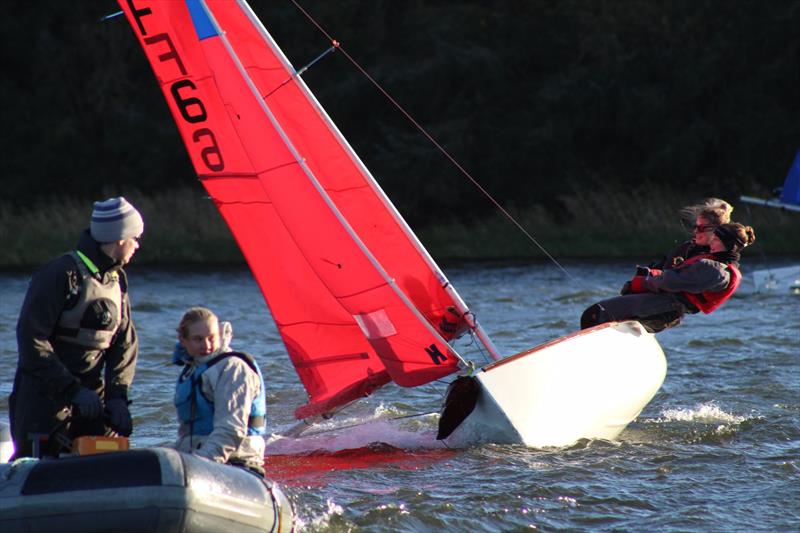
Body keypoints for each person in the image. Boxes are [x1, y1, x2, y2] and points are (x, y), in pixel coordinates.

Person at [10, 197, 143, 458]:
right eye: (135, 238)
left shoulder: (117, 281)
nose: (137, 245)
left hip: (93, 402)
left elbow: (124, 345)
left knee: (108, 457)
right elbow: (32, 339)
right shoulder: (59, 274)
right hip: (44, 399)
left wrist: (117, 396)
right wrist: (72, 391)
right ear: (119, 238)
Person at [581, 223, 756, 333]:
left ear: (728, 245)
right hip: (666, 308)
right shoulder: (715, 265)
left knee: (595, 314)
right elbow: (673, 278)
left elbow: (669, 282)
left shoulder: (716, 271)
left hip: (666, 308)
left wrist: (644, 282)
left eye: (716, 239)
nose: (711, 242)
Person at [172, 307, 267, 475]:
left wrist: (200, 466)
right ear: (183, 340)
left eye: (211, 338)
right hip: (200, 456)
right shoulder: (193, 369)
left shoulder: (233, 369)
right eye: (198, 339)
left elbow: (231, 431)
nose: (206, 345)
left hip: (237, 462)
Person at [650, 198, 734, 270]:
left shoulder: (724, 259)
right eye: (696, 227)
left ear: (717, 230)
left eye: (702, 228)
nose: (696, 231)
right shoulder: (687, 248)